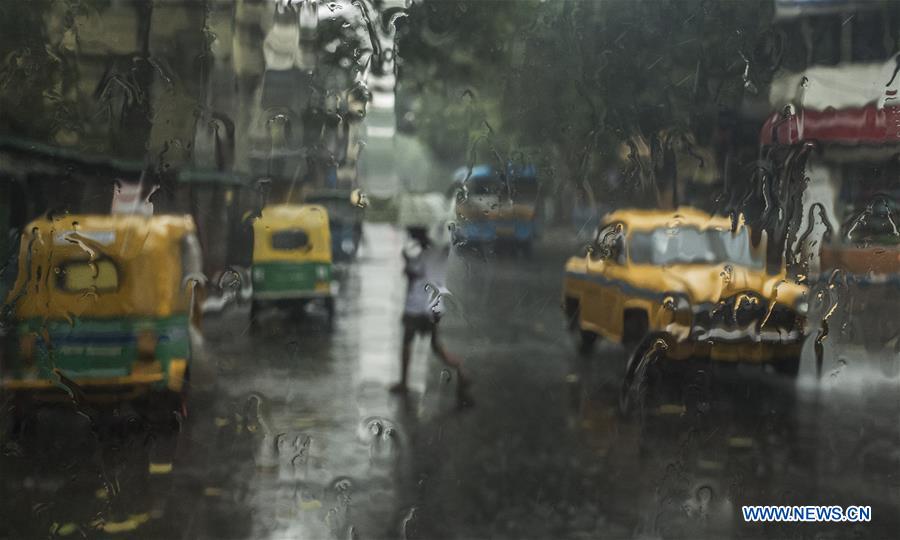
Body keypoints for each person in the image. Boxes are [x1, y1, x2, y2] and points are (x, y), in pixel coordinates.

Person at [390, 226, 472, 407]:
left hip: (415, 307)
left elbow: (411, 276)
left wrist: (406, 260)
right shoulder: (441, 250)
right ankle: (460, 370)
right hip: (434, 307)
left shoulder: (415, 254)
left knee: (407, 343)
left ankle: (404, 383)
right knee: (436, 346)